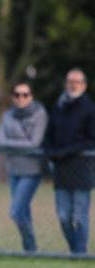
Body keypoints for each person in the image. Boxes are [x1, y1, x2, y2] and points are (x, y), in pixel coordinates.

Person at [44, 68, 95, 254]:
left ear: (84, 85)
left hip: (82, 168)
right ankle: (75, 249)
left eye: (77, 81)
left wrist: (66, 151)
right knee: (64, 216)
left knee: (79, 216)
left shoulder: (90, 109)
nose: (73, 84)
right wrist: (49, 151)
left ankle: (80, 252)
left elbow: (91, 140)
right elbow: (49, 134)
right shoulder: (59, 106)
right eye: (70, 81)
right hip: (61, 169)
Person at [0, 82, 48, 253]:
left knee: (16, 212)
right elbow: (0, 142)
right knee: (23, 211)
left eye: (25, 94)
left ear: (31, 96)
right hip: (14, 170)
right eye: (17, 94)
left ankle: (30, 246)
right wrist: (22, 143)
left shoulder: (40, 114)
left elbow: (35, 143)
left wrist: (12, 144)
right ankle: (30, 252)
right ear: (12, 97)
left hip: (32, 171)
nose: (21, 98)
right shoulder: (7, 115)